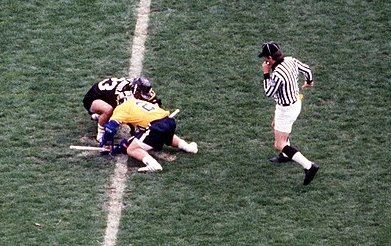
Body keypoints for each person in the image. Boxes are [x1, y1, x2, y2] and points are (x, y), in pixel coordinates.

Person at [258, 41, 319, 185]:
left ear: (270, 58)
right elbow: (307, 69)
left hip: (286, 109)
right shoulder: (291, 60)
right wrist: (309, 82)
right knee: (276, 126)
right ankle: (286, 155)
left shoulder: (278, 74)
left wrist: (266, 73)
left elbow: (269, 92)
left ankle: (309, 166)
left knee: (279, 143)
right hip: (293, 103)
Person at [100, 96, 198, 173]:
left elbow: (110, 129)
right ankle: (188, 147)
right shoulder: (135, 102)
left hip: (156, 126)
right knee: (165, 137)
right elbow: (139, 132)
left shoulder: (121, 109)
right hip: (169, 121)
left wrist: (107, 144)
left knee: (132, 149)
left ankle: (153, 165)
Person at [83, 76, 161, 142]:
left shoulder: (140, 89)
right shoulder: (124, 95)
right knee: (109, 110)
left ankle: (100, 116)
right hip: (92, 98)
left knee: (115, 109)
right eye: (139, 95)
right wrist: (136, 131)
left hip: (108, 97)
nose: (141, 97)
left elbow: (155, 103)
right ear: (135, 90)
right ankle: (100, 133)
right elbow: (126, 115)